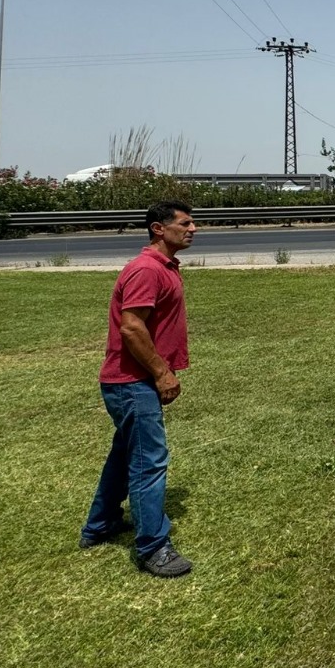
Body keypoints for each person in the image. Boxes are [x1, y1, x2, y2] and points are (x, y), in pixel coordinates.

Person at [80, 200, 199, 577]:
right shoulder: (147, 270)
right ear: (158, 229)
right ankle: (153, 547)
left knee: (124, 456)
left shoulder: (163, 267)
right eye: (185, 223)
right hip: (132, 383)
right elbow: (132, 327)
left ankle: (100, 526)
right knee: (149, 461)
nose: (193, 229)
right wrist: (162, 373)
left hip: (133, 382)